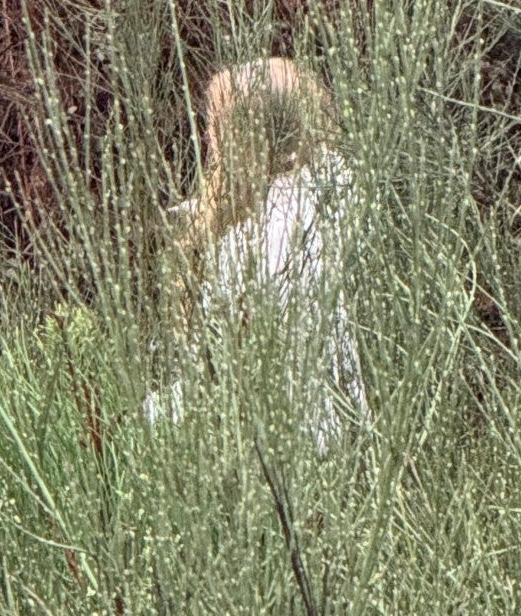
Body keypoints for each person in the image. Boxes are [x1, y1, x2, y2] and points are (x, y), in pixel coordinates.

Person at [151, 58, 366, 449]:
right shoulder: (346, 196)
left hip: (288, 447)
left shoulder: (254, 241)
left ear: (242, 139)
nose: (208, 139)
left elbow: (229, 380)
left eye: (215, 125)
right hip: (348, 435)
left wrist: (145, 421)